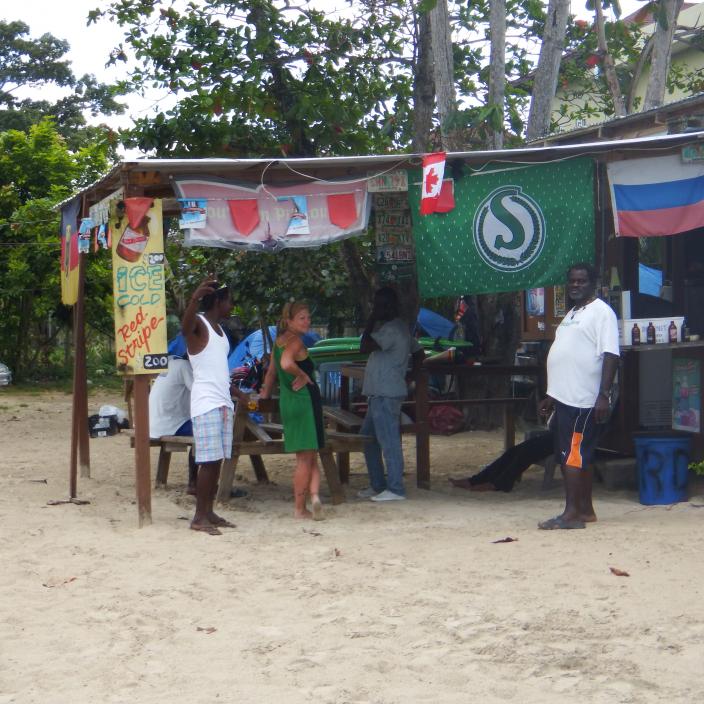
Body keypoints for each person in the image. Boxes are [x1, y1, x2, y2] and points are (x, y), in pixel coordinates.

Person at [538, 262, 619, 530]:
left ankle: (571, 514)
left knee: (572, 455)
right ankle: (585, 510)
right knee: (578, 454)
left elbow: (611, 354)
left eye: (581, 281)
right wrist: (552, 395)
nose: (575, 285)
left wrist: (604, 395)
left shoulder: (602, 313)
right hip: (565, 398)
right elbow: (567, 355)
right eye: (572, 281)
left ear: (592, 283)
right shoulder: (572, 314)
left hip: (584, 400)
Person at [357, 287, 425, 502]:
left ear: (388, 306)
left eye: (379, 305)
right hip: (380, 392)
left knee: (388, 441)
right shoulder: (400, 327)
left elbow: (363, 346)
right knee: (368, 439)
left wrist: (370, 320)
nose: (376, 309)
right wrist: (410, 376)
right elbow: (419, 352)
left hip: (385, 393)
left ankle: (395, 488)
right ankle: (378, 484)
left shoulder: (391, 330)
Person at [260, 301, 325, 520]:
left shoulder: (279, 342)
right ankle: (300, 508)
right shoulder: (295, 342)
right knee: (305, 459)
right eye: (301, 318)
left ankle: (314, 496)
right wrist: (302, 374)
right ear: (289, 321)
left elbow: (271, 372)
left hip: (289, 403)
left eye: (308, 317)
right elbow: (287, 364)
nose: (307, 321)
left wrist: (264, 396)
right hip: (305, 402)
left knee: (309, 453)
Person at [182, 278, 236, 536]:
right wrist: (194, 299)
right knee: (208, 461)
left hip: (222, 400)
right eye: (229, 301)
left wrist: (236, 393)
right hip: (206, 402)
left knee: (216, 461)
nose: (232, 306)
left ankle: (209, 511)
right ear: (217, 302)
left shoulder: (221, 331)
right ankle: (199, 517)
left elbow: (219, 369)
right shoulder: (199, 324)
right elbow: (185, 328)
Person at [148, 353, 197, 493]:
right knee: (206, 431)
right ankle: (194, 483)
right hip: (170, 423)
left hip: (155, 423)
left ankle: (195, 482)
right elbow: (200, 392)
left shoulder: (170, 364)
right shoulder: (184, 366)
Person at [449, 431, 554, 493]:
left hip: (561, 439)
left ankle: (499, 484)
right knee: (513, 451)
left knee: (527, 452)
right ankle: (475, 480)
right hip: (555, 434)